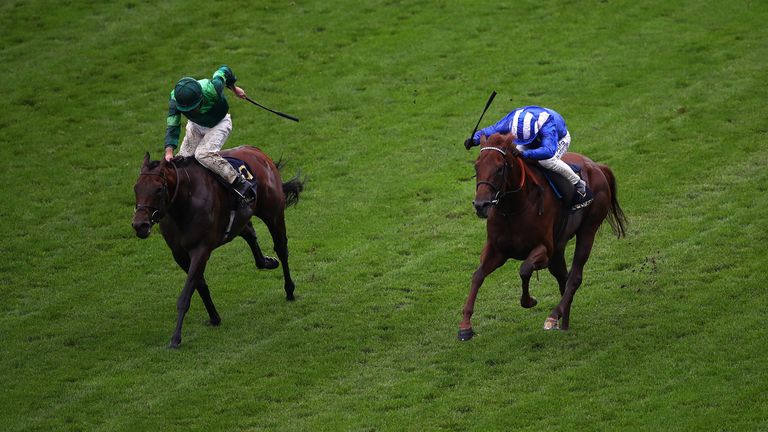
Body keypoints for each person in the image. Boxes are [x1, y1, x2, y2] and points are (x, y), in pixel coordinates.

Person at [464, 105, 593, 209]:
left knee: (547, 162)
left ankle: (579, 184)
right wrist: (474, 140)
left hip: (558, 139)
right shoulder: (509, 122)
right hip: (531, 135)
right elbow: (487, 131)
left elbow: (548, 151)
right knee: (515, 158)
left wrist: (526, 154)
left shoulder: (547, 125)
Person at [164, 65, 254, 203]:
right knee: (182, 160)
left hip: (220, 123)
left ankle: (239, 183)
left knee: (203, 154)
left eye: (194, 107)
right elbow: (172, 125)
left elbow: (223, 70)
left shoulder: (213, 87)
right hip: (195, 126)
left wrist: (234, 89)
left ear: (201, 96)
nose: (193, 111)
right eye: (188, 109)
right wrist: (169, 152)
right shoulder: (175, 101)